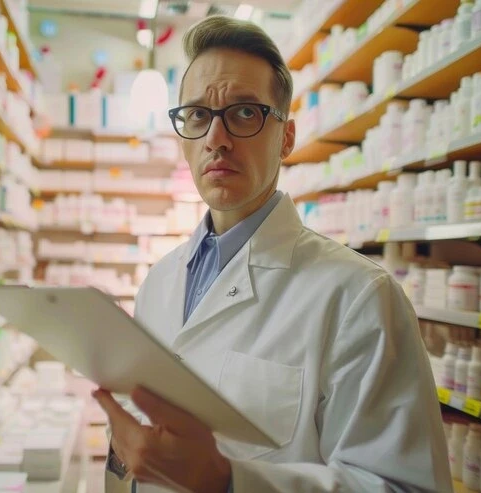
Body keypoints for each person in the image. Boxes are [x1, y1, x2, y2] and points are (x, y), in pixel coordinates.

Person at [93, 15, 452, 493]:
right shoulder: (160, 281)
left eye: (245, 113)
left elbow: (406, 487)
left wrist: (229, 481)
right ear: (182, 137)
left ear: (286, 137)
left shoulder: (360, 297)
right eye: (197, 115)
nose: (215, 139)